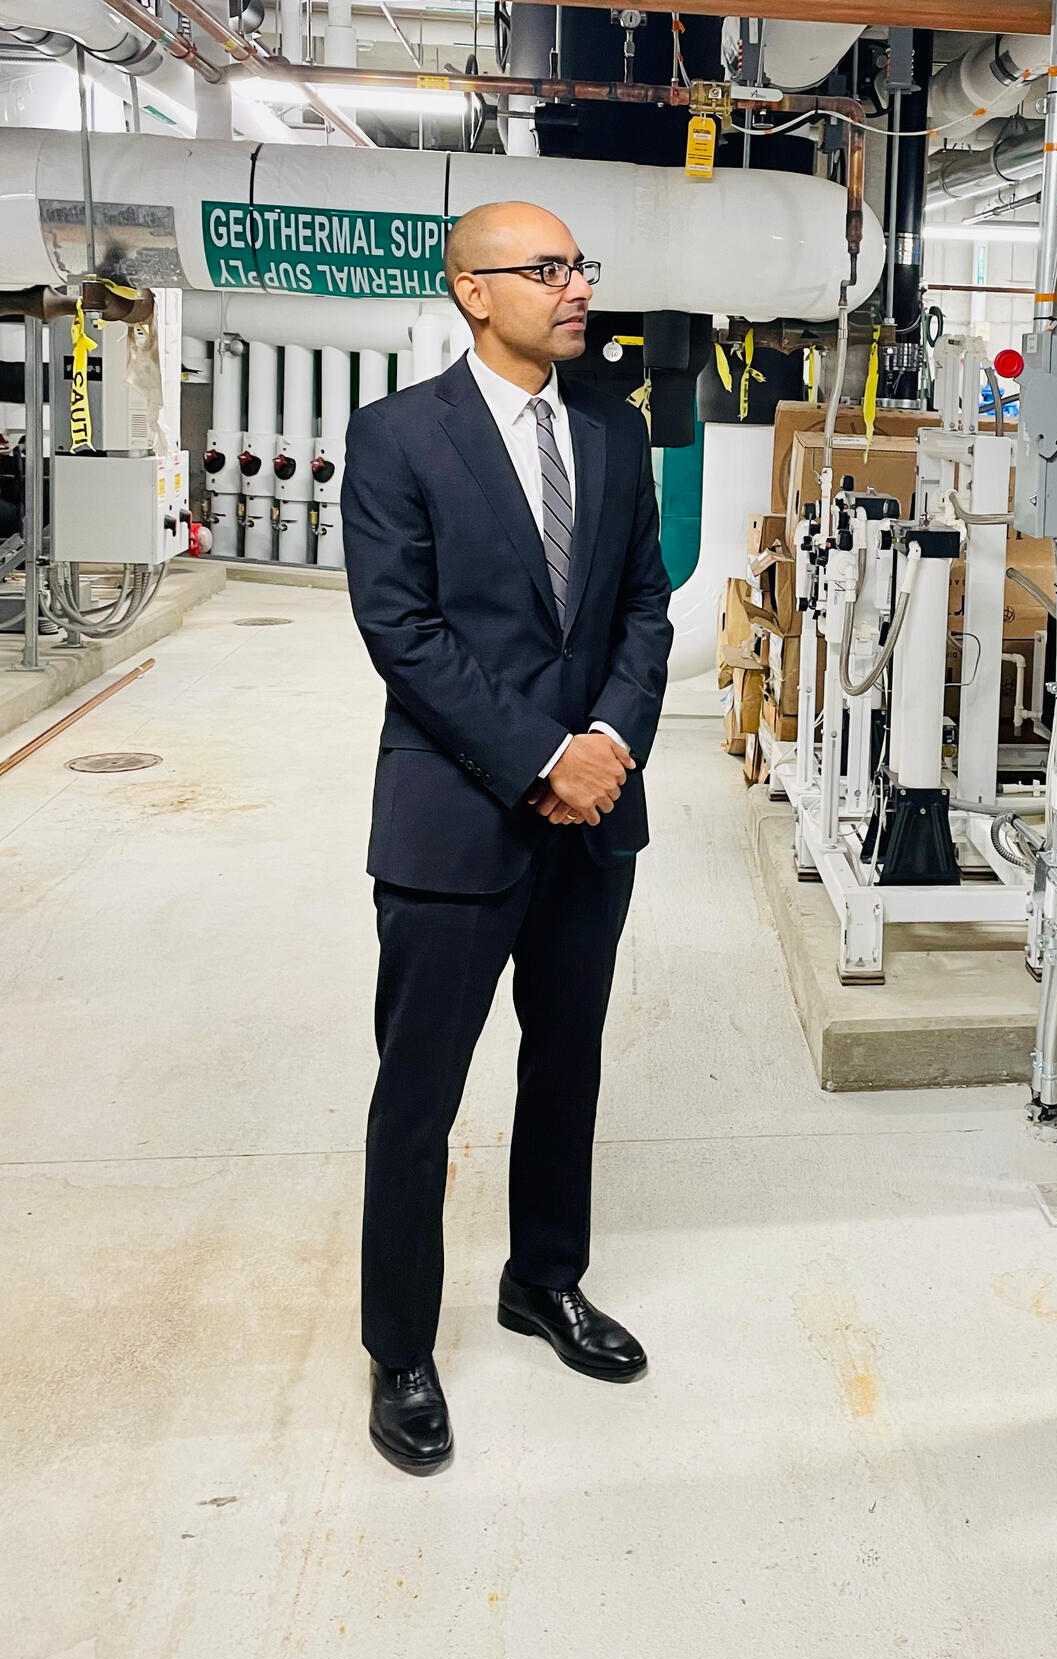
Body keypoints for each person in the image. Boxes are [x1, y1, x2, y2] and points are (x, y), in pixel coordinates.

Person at [342, 200, 673, 1474]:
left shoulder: (613, 426)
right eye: (546, 269)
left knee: (567, 1063)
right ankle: (400, 1348)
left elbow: (645, 602)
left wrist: (603, 746)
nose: (574, 286)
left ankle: (545, 1278)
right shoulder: (395, 437)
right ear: (473, 292)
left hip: (591, 819)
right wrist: (541, 756)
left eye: (579, 264)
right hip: (453, 815)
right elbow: (401, 629)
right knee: (418, 1094)